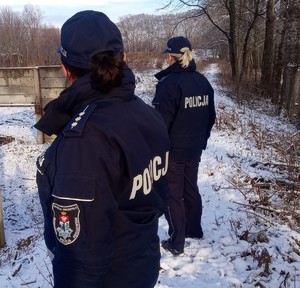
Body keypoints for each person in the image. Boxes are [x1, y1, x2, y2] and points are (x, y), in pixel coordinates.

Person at [35, 10, 170, 288]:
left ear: (65, 68)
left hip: (110, 277)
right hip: (142, 263)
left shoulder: (85, 140)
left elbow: (80, 258)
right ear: (124, 58)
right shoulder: (148, 114)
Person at [152, 36, 216, 256]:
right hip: (195, 148)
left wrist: (157, 150)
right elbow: (211, 117)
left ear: (171, 57)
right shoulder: (203, 82)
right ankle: (194, 230)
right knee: (190, 188)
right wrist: (201, 139)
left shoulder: (168, 85)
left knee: (172, 194)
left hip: (173, 151)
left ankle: (176, 240)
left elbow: (160, 123)